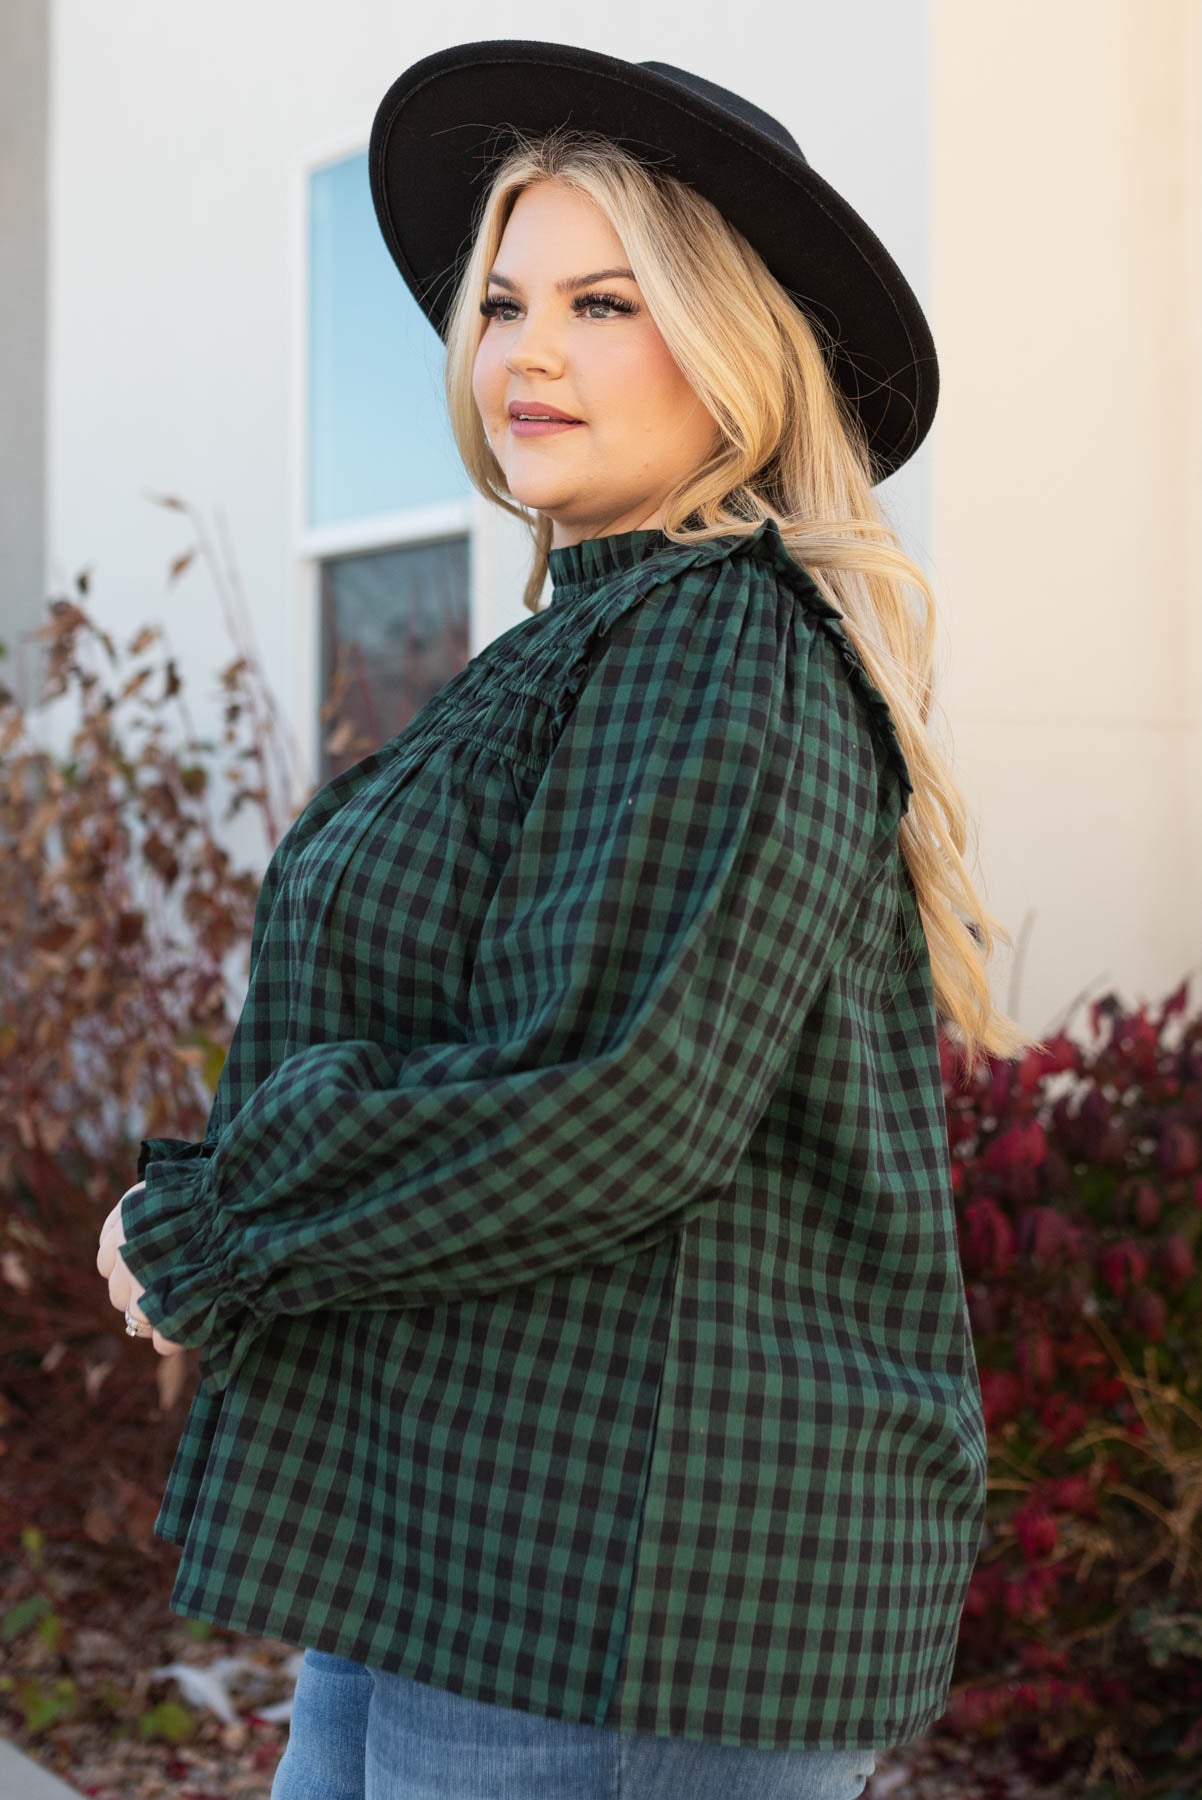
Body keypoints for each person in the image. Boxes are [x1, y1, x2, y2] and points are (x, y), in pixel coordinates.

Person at [96, 38, 1041, 1800]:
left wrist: (211, 1225)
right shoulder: (583, 647)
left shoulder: (717, 645)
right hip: (457, 1534)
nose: (524, 348)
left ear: (736, 349)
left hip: (623, 1574)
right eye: (503, 299)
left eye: (604, 303)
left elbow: (609, 1100)